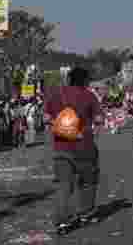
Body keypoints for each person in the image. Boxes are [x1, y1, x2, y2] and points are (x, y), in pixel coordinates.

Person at [44, 67, 104, 235]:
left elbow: (47, 118)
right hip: (84, 146)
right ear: (85, 80)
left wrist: (61, 126)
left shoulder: (55, 94)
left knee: (63, 185)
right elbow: (99, 119)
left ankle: (62, 222)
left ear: (69, 79)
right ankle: (86, 214)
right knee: (88, 181)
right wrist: (93, 130)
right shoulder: (89, 96)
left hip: (61, 146)